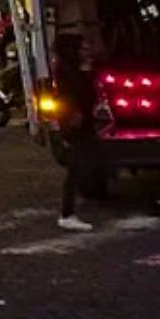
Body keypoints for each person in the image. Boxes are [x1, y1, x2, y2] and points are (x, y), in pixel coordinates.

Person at [52, 31, 99, 232]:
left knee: (81, 163)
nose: (86, 49)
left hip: (80, 121)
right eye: (81, 47)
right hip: (75, 123)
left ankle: (69, 211)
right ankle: (67, 213)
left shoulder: (73, 69)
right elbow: (76, 94)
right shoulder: (67, 72)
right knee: (75, 166)